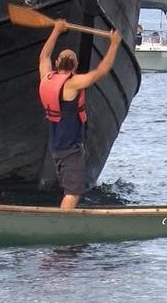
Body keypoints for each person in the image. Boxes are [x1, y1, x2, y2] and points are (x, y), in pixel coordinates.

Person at [39, 19, 122, 209]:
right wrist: (114, 44)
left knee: (70, 189)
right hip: (70, 149)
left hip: (56, 146)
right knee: (73, 192)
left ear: (57, 63)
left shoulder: (46, 77)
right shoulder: (73, 83)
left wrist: (56, 30)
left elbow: (44, 56)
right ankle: (61, 229)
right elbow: (102, 71)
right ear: (75, 66)